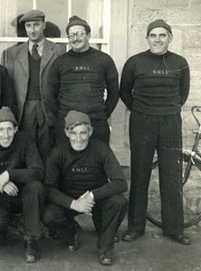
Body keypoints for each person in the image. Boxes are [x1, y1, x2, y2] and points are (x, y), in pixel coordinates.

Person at [120, 19, 191, 245]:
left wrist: (166, 109)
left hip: (170, 122)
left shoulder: (180, 63)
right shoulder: (135, 62)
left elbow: (183, 94)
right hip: (142, 121)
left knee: (171, 175)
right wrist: (143, 110)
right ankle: (135, 227)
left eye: (162, 35)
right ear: (147, 38)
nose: (157, 39)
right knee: (140, 173)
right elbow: (124, 92)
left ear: (170, 37)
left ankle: (174, 229)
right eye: (153, 35)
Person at [43, 110, 127, 266]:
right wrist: (73, 203)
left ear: (91, 132)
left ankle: (105, 247)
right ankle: (70, 229)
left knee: (118, 202)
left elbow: (121, 182)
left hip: (95, 201)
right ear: (66, 133)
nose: (79, 139)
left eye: (83, 133)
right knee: (49, 215)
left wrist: (92, 196)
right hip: (70, 201)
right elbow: (48, 188)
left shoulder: (101, 149)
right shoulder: (58, 153)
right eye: (73, 133)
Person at [0, 107, 46, 263]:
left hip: (21, 196)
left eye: (9, 129)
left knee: (36, 187)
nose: (5, 135)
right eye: (1, 129)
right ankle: (7, 226)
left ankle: (31, 239)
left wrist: (9, 174)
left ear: (16, 129)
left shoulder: (25, 141)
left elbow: (38, 171)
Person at [2, 10, 65, 161]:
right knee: (24, 149)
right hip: (23, 109)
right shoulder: (11, 54)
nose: (32, 29)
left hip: (47, 109)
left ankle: (47, 182)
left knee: (48, 150)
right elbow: (7, 87)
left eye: (36, 25)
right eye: (28, 26)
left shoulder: (58, 51)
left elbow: (63, 84)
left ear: (44, 25)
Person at [48, 16, 119, 145]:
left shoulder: (104, 60)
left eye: (79, 34)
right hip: (67, 123)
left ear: (89, 35)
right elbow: (49, 94)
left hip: (96, 121)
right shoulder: (60, 62)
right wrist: (63, 116)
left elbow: (114, 93)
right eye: (71, 35)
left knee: (97, 161)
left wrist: (101, 114)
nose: (75, 38)